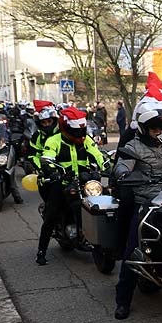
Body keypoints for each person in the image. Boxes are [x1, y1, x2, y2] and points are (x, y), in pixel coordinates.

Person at [113, 99, 162, 319]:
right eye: (153, 128)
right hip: (146, 201)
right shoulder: (133, 147)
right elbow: (122, 164)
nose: (158, 132)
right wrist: (123, 173)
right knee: (133, 248)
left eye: (161, 128)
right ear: (144, 128)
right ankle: (122, 300)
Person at [35, 108, 106, 265]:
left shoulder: (86, 139)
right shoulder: (54, 141)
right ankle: (41, 251)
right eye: (76, 132)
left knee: (105, 201)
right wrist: (53, 172)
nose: (80, 135)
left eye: (82, 131)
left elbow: (97, 154)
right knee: (51, 215)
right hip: (61, 183)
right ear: (65, 128)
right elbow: (46, 158)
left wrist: (106, 166)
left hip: (83, 181)